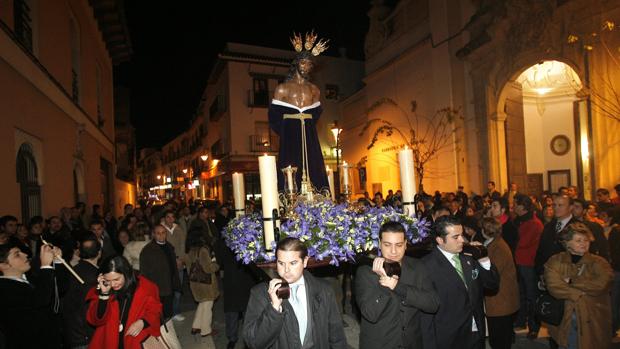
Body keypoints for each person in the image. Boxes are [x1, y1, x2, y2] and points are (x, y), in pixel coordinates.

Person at [243, 237, 346, 348]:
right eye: (281, 263)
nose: (286, 270)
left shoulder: (324, 290)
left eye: (293, 263)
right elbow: (253, 342)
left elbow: (336, 336)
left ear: (305, 261)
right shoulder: (261, 293)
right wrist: (274, 308)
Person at [420, 215, 500, 349]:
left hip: (476, 335)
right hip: (450, 339)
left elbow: (492, 285)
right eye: (455, 237)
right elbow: (426, 315)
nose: (462, 240)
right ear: (440, 240)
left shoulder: (469, 258)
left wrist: (484, 260)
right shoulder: (426, 266)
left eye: (461, 235)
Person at [355, 222, 439, 348]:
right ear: (379, 243)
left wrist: (398, 288)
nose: (393, 251)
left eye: (399, 245)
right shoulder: (366, 272)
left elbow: (433, 304)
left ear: (405, 244)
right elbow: (370, 314)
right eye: (387, 245)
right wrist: (384, 284)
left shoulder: (418, 267)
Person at [268, 31, 330, 192]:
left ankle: (317, 194)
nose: (306, 67)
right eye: (303, 63)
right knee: (290, 164)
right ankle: (290, 195)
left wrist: (305, 124)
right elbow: (274, 117)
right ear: (296, 64)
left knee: (313, 162)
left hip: (308, 133)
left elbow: (315, 116)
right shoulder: (282, 89)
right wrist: (288, 128)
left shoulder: (314, 90)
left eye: (310, 64)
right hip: (290, 133)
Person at [544, 222, 614, 349]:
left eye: (586, 240)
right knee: (567, 343)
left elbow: (602, 283)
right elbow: (554, 286)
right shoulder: (555, 261)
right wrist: (579, 293)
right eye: (578, 240)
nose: (584, 243)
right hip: (565, 317)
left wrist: (571, 282)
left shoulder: (599, 262)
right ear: (567, 242)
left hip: (593, 317)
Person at [86, 255, 162, 349]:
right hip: (109, 340)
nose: (113, 284)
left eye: (116, 279)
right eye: (108, 280)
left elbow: (155, 310)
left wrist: (143, 322)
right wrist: (104, 294)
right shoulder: (102, 290)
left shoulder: (145, 287)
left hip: (135, 341)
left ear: (126, 273)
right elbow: (96, 320)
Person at [0, 243, 62, 349]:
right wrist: (46, 266)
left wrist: (57, 262)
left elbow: (59, 288)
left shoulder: (30, 278)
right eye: (17, 254)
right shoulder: (4, 289)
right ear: (3, 265)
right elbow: (40, 301)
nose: (25, 254)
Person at [480, 217, 519, 349]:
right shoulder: (492, 243)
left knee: (500, 340)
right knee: (498, 338)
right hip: (500, 301)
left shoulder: (498, 247)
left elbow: (493, 273)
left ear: (484, 231)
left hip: (501, 302)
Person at [62, 233, 101, 349]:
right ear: (99, 253)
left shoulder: (75, 270)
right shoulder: (94, 276)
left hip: (73, 331)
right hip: (84, 334)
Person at [512, 194, 543, 339]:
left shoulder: (533, 223)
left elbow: (521, 243)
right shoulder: (519, 221)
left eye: (515, 204)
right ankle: (521, 321)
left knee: (531, 296)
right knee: (521, 295)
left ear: (522, 206)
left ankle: (534, 326)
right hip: (519, 262)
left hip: (528, 264)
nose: (513, 207)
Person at [140, 224, 181, 320]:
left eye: (163, 233)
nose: (161, 235)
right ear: (153, 234)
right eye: (158, 233)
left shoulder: (169, 246)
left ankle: (168, 332)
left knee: (167, 312)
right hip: (157, 287)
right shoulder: (148, 250)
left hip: (169, 283)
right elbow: (144, 271)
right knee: (158, 314)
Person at [535, 195, 578, 277]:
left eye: (560, 205)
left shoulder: (577, 227)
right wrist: (540, 272)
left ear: (571, 207)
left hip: (569, 275)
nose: (556, 208)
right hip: (549, 273)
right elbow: (541, 250)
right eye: (554, 205)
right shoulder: (549, 226)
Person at [187, 229, 220, 337]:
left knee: (202, 304)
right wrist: (216, 263)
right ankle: (206, 330)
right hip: (206, 284)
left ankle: (196, 326)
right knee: (207, 307)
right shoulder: (203, 250)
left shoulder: (190, 250)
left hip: (195, 282)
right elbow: (208, 268)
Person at [162, 209, 187, 321]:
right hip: (167, 265)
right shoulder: (161, 230)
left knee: (177, 289)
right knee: (168, 290)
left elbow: (182, 245)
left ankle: (176, 312)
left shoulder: (179, 229)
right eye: (168, 217)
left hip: (179, 263)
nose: (170, 219)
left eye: (172, 217)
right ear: (164, 218)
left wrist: (180, 259)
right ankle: (168, 313)